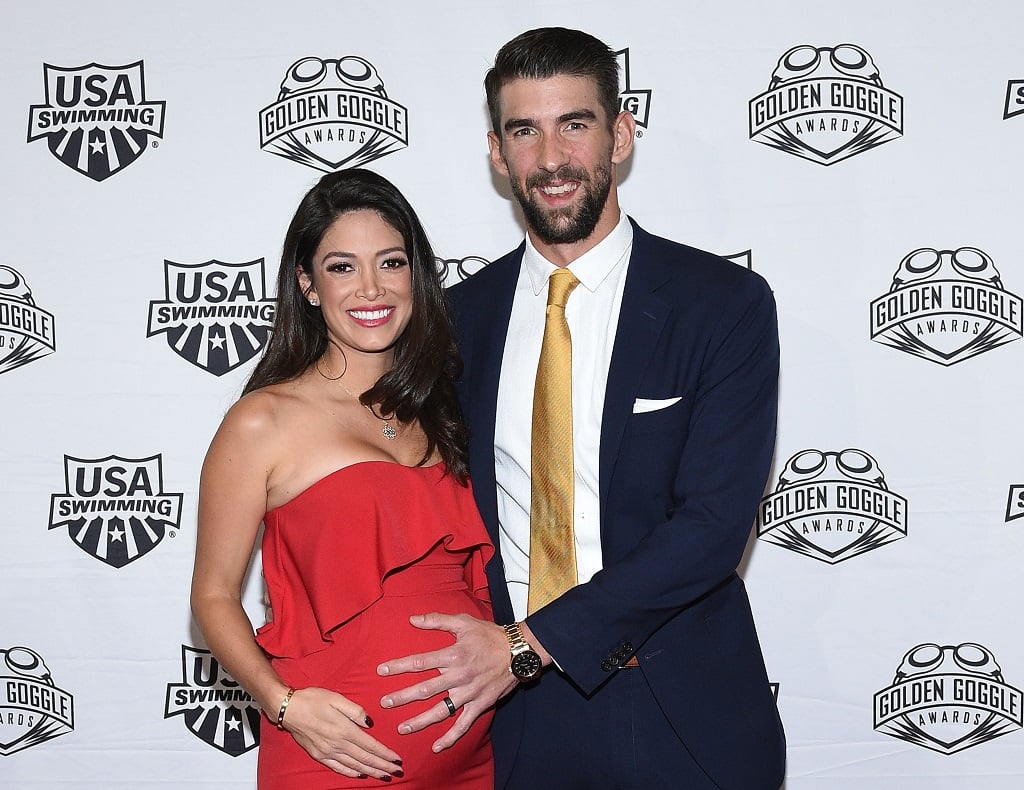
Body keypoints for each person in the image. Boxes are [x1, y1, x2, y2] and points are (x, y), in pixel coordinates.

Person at [375, 27, 786, 788]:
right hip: (505, 719)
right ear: (498, 154)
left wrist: (528, 645)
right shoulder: (453, 323)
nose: (552, 158)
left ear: (620, 136)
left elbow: (713, 526)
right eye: (524, 130)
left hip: (679, 705)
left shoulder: (721, 306)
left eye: (576, 123)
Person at [190, 168, 495, 788]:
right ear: (306, 284)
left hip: (472, 754)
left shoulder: (443, 410)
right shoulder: (263, 420)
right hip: (334, 755)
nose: (370, 287)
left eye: (390, 262)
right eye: (341, 267)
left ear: (416, 276)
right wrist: (285, 706)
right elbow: (214, 596)